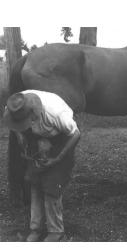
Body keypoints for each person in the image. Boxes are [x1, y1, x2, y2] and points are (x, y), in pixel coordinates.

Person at [3, 90, 81, 241]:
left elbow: (76, 134)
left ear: (33, 114)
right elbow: (15, 126)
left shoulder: (56, 114)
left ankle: (56, 231)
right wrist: (22, 137)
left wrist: (57, 159)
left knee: (52, 185)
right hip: (36, 136)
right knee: (35, 182)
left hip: (61, 138)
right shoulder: (14, 107)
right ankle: (35, 228)